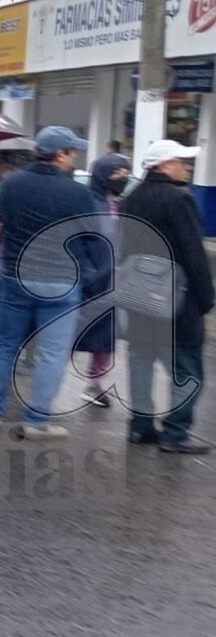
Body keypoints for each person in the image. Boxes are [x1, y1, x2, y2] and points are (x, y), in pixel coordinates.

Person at [0, 126, 101, 439]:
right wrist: (92, 276)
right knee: (52, 352)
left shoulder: (12, 184)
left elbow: (3, 223)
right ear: (59, 154)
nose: (73, 158)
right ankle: (35, 420)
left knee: (4, 343)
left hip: (16, 277)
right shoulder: (78, 193)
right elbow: (93, 241)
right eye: (71, 152)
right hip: (61, 282)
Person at [119, 141, 215, 453]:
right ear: (162, 165)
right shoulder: (179, 200)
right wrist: (206, 298)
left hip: (138, 298)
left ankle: (140, 426)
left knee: (141, 363)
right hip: (176, 300)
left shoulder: (131, 198)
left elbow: (122, 249)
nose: (186, 166)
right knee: (187, 370)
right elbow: (193, 253)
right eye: (180, 161)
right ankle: (175, 433)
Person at [76, 152, 131, 407]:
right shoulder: (87, 203)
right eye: (117, 173)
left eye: (125, 174)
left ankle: (95, 385)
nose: (123, 179)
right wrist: (87, 274)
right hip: (88, 283)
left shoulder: (118, 205)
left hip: (114, 282)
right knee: (68, 335)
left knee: (107, 339)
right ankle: (44, 390)